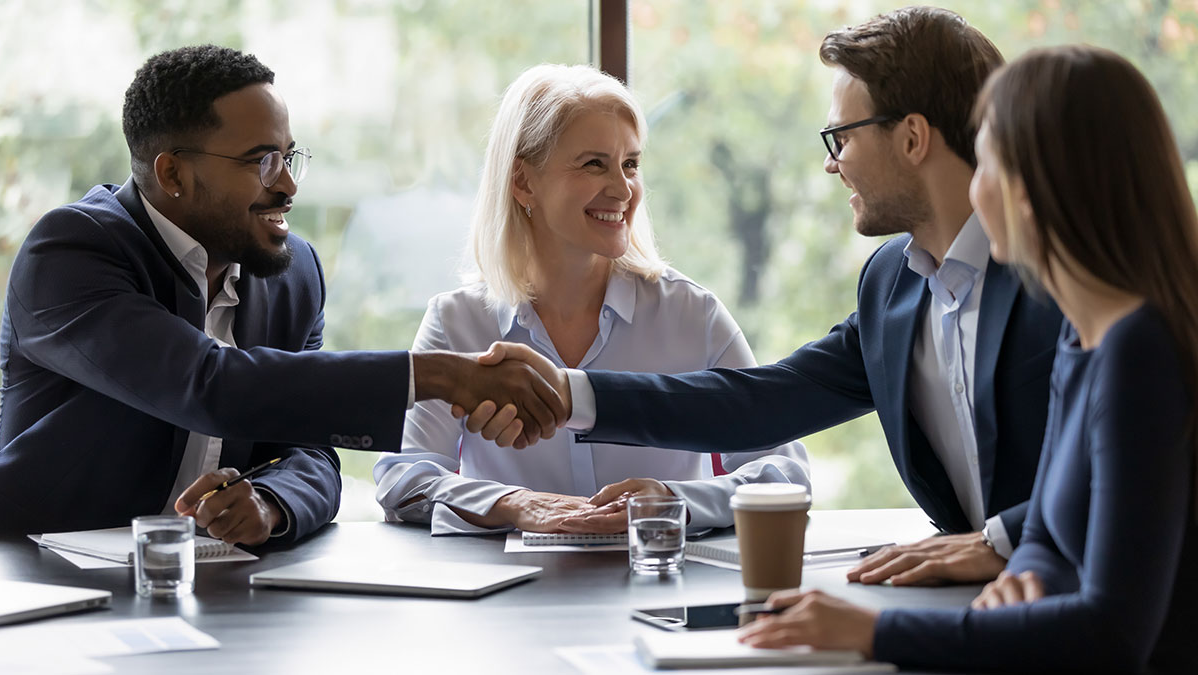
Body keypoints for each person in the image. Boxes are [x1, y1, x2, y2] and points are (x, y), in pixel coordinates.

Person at [463, 6, 1062, 584]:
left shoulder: (1067, 274)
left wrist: (1000, 542)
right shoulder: (893, 286)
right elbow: (760, 402)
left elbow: (1131, 461)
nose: (834, 165)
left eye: (842, 137)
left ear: (911, 139)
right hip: (976, 606)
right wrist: (567, 393)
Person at [736, 45, 1198, 674]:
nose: (973, 189)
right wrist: (1025, 585)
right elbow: (1046, 545)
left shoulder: (1138, 353)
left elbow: (1112, 635)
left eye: (986, 162)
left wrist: (875, 632)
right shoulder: (1083, 340)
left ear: (1035, 189)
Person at [0, 45, 563, 546]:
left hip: (218, 587)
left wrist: (270, 504)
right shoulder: (71, 254)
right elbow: (207, 384)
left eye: (289, 157)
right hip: (45, 578)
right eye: (261, 160)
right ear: (172, 173)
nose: (288, 184)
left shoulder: (292, 275)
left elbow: (311, 452)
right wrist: (439, 376)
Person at [373, 64, 810, 535]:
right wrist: (513, 504)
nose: (623, 189)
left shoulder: (692, 315)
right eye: (593, 164)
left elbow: (784, 474)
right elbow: (404, 477)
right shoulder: (458, 321)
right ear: (523, 182)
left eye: (631, 164)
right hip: (512, 600)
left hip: (661, 590)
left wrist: (672, 500)